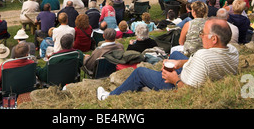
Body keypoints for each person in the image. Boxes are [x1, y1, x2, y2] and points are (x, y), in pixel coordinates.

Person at [97, 18, 239, 100]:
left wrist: (174, 79)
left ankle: (109, 97)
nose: (201, 35)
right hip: (199, 72)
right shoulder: (232, 50)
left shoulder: (203, 57)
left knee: (139, 72)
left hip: (178, 84)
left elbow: (191, 92)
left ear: (214, 39)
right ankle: (161, 75)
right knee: (176, 55)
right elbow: (200, 62)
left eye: (203, 33)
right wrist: (181, 62)